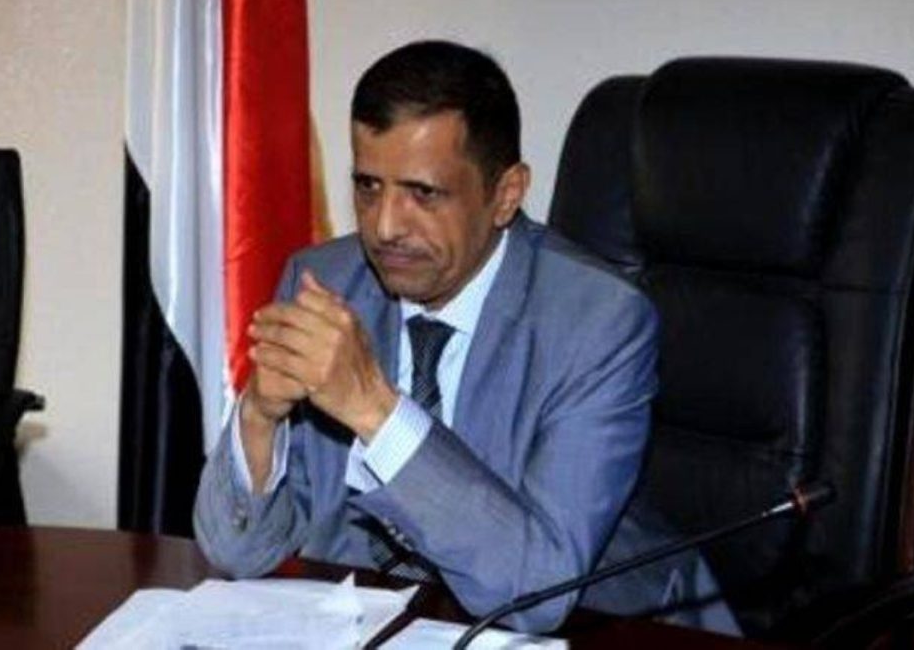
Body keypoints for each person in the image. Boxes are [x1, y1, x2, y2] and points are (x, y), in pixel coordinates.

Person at [194, 40, 727, 634]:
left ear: (505, 195)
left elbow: (538, 595)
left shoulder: (599, 324)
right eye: (368, 187)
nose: (385, 227)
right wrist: (259, 416)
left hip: (609, 631)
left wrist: (375, 411)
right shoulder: (325, 282)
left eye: (423, 194)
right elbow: (237, 551)